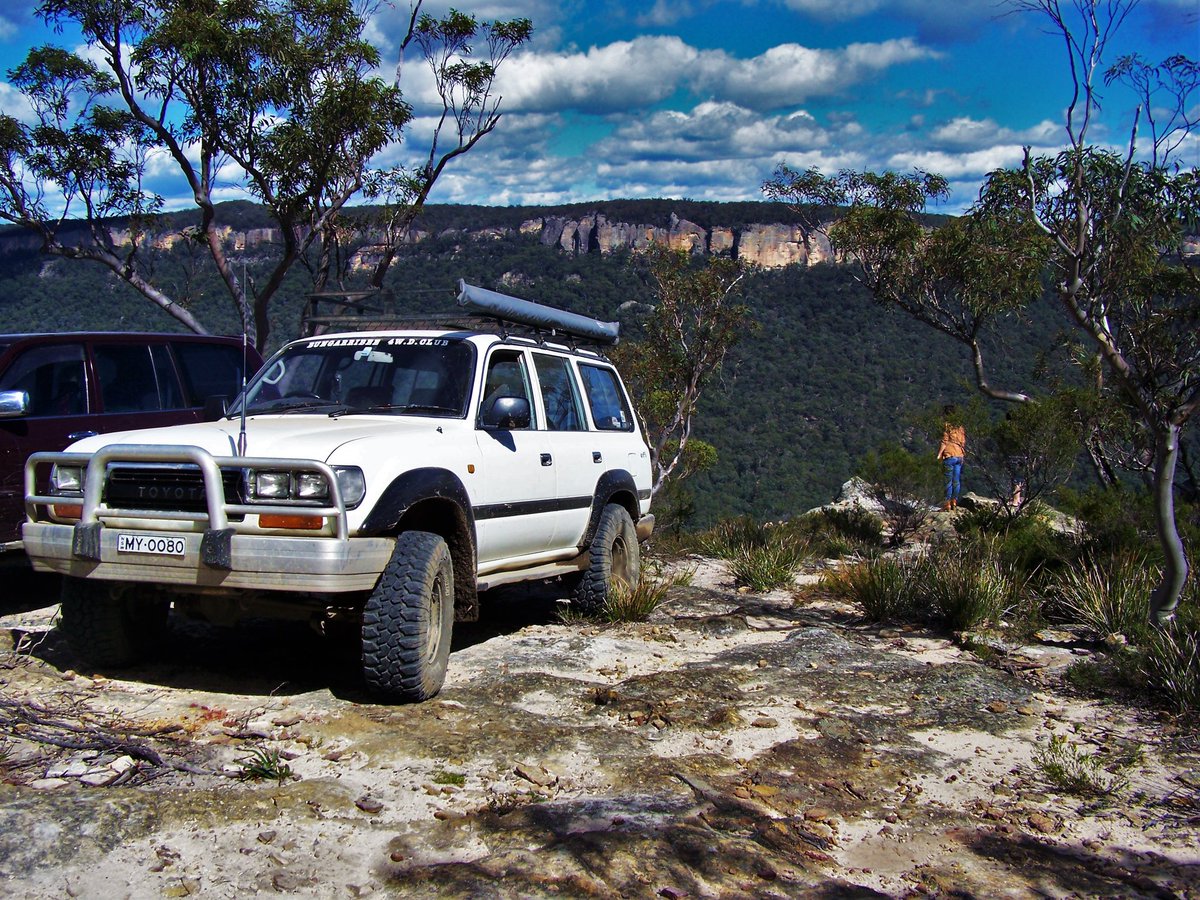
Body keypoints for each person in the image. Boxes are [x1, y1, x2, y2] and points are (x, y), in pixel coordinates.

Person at [937, 405, 966, 510]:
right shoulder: (960, 427)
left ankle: (947, 503)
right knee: (956, 480)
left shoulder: (946, 426)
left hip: (949, 455)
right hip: (959, 455)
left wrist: (939, 454)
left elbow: (944, 441)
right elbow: (963, 441)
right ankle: (954, 500)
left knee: (948, 481)